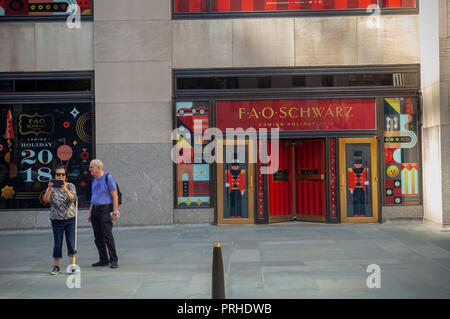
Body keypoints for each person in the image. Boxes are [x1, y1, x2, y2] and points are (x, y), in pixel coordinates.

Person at [43, 166, 77, 275]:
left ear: (65, 176)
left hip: (69, 219)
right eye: (58, 175)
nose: (60, 176)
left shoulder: (70, 186)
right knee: (57, 243)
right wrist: (49, 189)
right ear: (54, 176)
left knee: (71, 242)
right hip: (56, 219)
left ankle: (72, 266)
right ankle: (56, 266)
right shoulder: (51, 188)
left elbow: (72, 198)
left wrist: (65, 189)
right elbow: (46, 200)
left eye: (62, 174)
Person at [88, 159, 120, 269]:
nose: (90, 169)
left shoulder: (108, 177)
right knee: (98, 237)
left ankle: (113, 260)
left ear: (98, 167)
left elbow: (115, 195)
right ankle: (103, 259)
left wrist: (115, 211)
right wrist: (90, 212)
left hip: (105, 210)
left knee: (107, 235)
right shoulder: (93, 180)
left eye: (91, 167)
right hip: (95, 210)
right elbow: (93, 197)